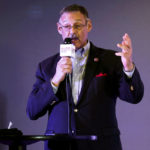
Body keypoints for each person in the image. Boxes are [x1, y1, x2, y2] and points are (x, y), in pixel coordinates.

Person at [26, 4, 144, 150]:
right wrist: (55, 80)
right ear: (59, 29)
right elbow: (32, 111)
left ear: (89, 25)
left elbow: (134, 96)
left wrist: (128, 66)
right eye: (67, 26)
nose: (72, 32)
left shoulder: (111, 60)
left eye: (78, 26)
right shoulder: (47, 67)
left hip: (101, 145)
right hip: (59, 146)